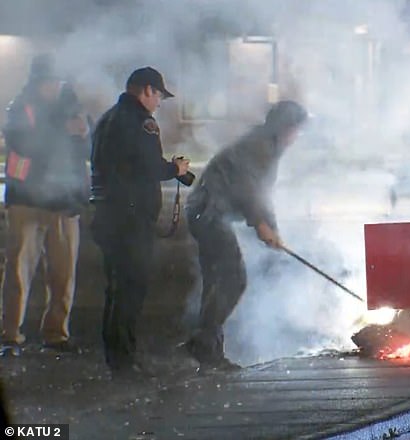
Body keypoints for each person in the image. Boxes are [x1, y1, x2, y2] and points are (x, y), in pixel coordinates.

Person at [184, 100, 307, 370]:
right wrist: (261, 224)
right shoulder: (259, 147)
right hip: (210, 213)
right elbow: (248, 190)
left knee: (216, 280)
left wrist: (271, 228)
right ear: (284, 128)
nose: (296, 137)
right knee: (233, 278)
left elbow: (262, 195)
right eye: (295, 130)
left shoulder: (265, 146)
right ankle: (203, 343)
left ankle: (210, 352)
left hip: (204, 211)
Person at [90, 67, 190, 375]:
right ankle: (125, 360)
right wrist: (175, 169)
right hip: (131, 221)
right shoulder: (142, 122)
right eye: (159, 95)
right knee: (132, 288)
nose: (159, 102)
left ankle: (116, 356)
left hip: (108, 215)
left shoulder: (108, 118)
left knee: (116, 288)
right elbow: (147, 166)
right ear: (147, 90)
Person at [0, 54, 90, 356]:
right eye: (49, 81)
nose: (54, 86)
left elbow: (84, 149)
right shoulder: (20, 107)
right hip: (26, 201)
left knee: (63, 274)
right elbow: (22, 143)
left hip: (63, 202)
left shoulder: (72, 108)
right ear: (37, 82)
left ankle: (56, 334)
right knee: (18, 271)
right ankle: (10, 334)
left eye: (57, 81)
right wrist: (62, 132)